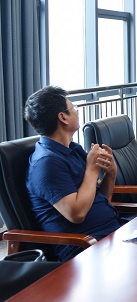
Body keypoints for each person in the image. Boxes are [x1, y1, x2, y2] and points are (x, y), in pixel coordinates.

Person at [24, 86, 121, 261]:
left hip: (110, 233)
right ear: (63, 117)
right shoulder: (46, 163)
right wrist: (92, 169)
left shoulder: (73, 149)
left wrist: (111, 174)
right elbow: (77, 214)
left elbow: (100, 198)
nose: (76, 111)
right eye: (73, 108)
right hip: (84, 249)